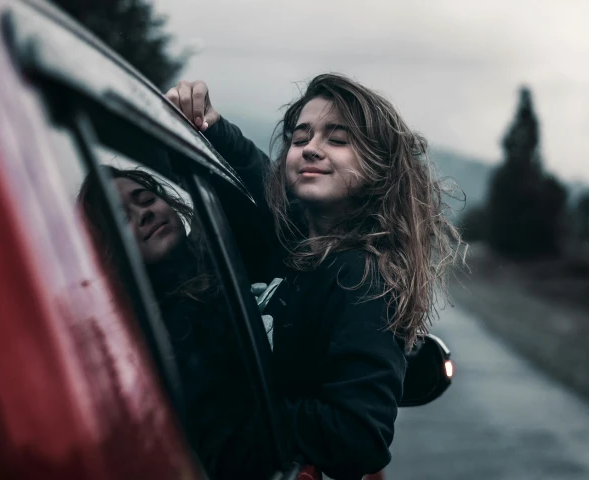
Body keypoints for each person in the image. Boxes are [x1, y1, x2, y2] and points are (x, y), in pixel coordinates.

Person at [166, 74, 463, 480]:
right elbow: (253, 173)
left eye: (337, 140)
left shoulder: (358, 276)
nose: (311, 149)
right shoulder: (292, 244)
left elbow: (359, 435)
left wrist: (232, 412)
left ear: (377, 168)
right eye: (300, 137)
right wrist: (211, 126)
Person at [78, 166, 276, 479]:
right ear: (106, 252)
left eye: (146, 199)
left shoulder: (220, 264)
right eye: (121, 218)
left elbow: (270, 200)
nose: (143, 214)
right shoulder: (157, 337)